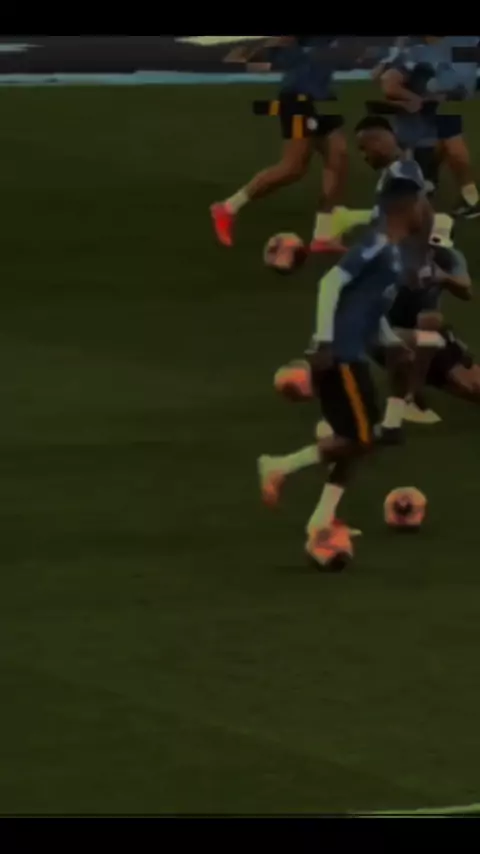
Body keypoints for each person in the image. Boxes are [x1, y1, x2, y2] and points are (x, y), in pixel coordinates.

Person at [258, 178, 426, 570]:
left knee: (358, 439)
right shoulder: (376, 243)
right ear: (405, 207)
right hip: (340, 357)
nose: (424, 211)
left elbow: (367, 307)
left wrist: (390, 343)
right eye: (419, 203)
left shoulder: (393, 253)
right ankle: (280, 466)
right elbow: (330, 282)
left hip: (352, 355)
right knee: (360, 439)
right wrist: (323, 341)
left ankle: (321, 518)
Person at [211, 36, 349, 252]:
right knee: (293, 168)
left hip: (318, 101)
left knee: (337, 154)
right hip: (297, 101)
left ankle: (323, 235)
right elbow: (277, 45)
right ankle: (227, 208)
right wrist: (253, 53)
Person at [380, 36, 480, 218]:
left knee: (452, 145)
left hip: (440, 98)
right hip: (432, 98)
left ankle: (470, 198)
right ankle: (431, 180)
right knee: (440, 143)